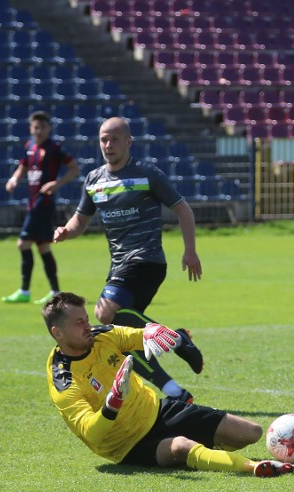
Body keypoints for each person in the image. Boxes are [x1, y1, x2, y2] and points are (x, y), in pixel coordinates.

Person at [42, 292, 294, 477]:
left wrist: (152, 331)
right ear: (57, 333)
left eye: (86, 319)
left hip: (157, 410)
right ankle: (253, 467)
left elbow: (137, 335)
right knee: (181, 447)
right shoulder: (63, 380)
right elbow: (90, 432)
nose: (88, 326)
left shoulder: (102, 336)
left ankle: (204, 454)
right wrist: (112, 405)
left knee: (250, 432)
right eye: (79, 323)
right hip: (127, 444)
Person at [53, 117, 203, 404]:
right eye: (103, 139)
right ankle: (174, 390)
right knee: (123, 335)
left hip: (147, 261)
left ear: (128, 142)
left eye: (114, 139)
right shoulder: (94, 180)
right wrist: (65, 231)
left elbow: (183, 209)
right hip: (119, 265)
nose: (108, 145)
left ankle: (178, 341)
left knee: (104, 312)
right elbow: (79, 222)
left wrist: (190, 250)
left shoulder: (147, 174)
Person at [2, 111, 80, 305]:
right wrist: (13, 179)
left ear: (49, 128)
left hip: (43, 203)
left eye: (42, 127)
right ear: (31, 128)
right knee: (43, 246)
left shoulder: (54, 148)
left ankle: (25, 290)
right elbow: (23, 166)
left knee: (23, 243)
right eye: (35, 127)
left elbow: (75, 169)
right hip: (33, 202)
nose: (39, 131)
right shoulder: (29, 145)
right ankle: (55, 291)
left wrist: (57, 183)